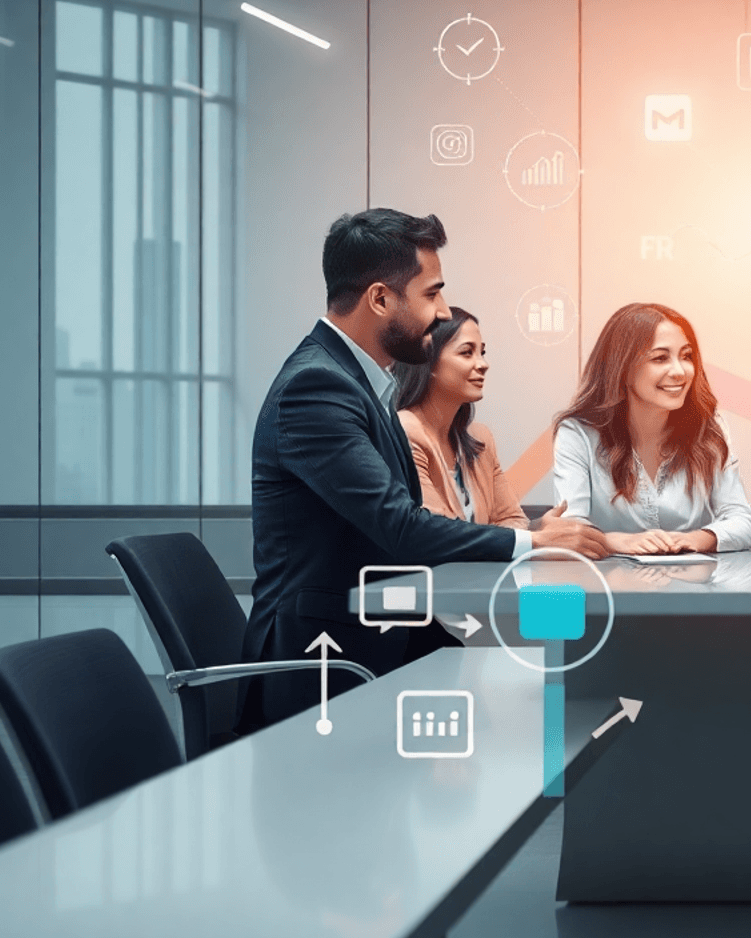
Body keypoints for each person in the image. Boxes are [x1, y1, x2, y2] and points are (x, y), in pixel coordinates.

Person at [240, 209, 606, 731]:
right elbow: (400, 527)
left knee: (545, 695)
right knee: (530, 707)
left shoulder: (363, 384)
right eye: (431, 294)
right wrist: (535, 542)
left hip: (380, 639)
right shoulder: (316, 388)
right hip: (324, 666)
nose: (440, 313)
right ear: (381, 299)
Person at [549, 302, 751, 554]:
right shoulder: (578, 434)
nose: (680, 372)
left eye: (686, 356)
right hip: (609, 586)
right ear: (622, 369)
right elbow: (569, 530)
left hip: (694, 587)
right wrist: (615, 542)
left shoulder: (709, 426)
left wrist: (698, 539)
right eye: (660, 358)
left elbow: (743, 521)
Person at [393, 307, 528, 530]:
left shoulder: (481, 438)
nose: (483, 364)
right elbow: (439, 533)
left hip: (481, 567)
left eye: (482, 352)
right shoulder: (406, 430)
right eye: (467, 352)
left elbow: (514, 520)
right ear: (429, 361)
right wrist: (499, 538)